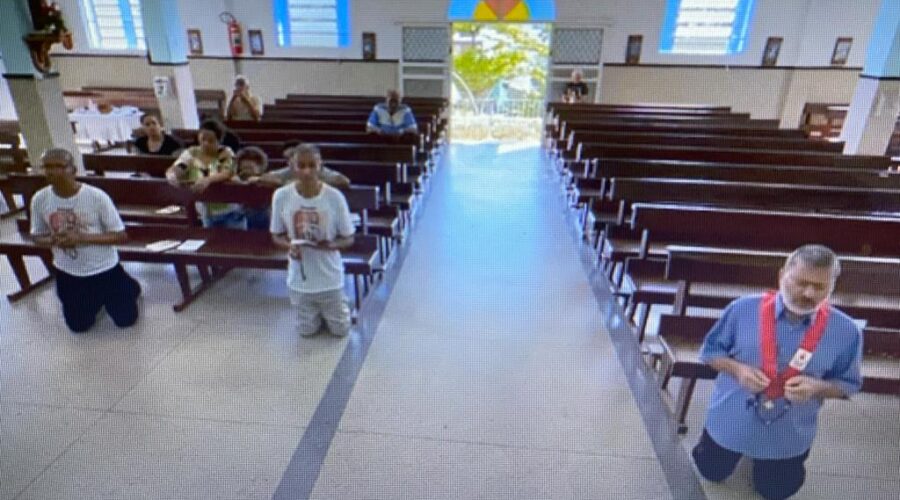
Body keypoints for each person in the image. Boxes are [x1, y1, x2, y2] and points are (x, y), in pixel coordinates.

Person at [692, 244, 863, 500]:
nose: (808, 293)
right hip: (733, 418)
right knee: (710, 471)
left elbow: (848, 384)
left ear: (832, 287)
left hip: (789, 432)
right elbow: (710, 352)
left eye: (820, 287)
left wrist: (817, 388)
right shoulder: (742, 309)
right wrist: (737, 370)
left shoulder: (847, 332)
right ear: (782, 275)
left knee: (777, 492)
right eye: (800, 282)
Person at [30, 148, 141, 333]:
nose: (54, 172)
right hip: (68, 271)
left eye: (60, 166)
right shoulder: (40, 199)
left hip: (104, 268)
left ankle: (128, 286)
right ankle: (95, 299)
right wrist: (53, 239)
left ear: (73, 170)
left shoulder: (96, 197)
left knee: (126, 321)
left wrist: (82, 238)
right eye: (48, 167)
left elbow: (121, 236)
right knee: (79, 326)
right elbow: (36, 236)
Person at [270, 143, 355, 337]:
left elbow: (349, 237)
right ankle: (316, 315)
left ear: (320, 166)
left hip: (329, 275)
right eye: (301, 166)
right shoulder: (281, 196)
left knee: (340, 331)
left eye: (312, 165)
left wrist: (331, 245)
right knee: (306, 332)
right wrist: (289, 245)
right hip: (300, 276)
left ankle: (334, 313)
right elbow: (276, 235)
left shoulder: (334, 197)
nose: (307, 172)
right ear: (292, 168)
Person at [236, 146, 351, 231]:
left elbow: (344, 181)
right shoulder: (288, 172)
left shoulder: (322, 172)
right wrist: (289, 183)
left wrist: (311, 182)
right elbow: (267, 178)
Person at [166, 120, 244, 229]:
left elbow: (227, 172)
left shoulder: (225, 152)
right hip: (206, 211)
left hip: (230, 211)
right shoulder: (192, 153)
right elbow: (180, 166)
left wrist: (208, 180)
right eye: (203, 139)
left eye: (211, 141)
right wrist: (172, 175)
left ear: (219, 140)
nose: (206, 143)